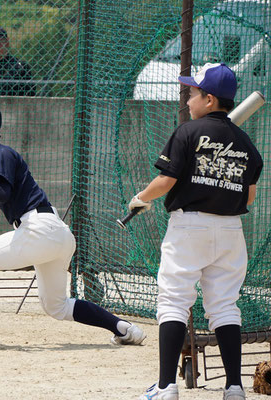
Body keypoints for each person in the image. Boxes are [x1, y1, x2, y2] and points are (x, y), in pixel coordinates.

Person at [0, 98, 146, 349]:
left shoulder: (1, 153)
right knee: (56, 306)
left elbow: (2, 193)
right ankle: (125, 329)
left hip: (38, 229)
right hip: (55, 234)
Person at [131, 63, 263, 400]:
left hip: (190, 226)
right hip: (231, 230)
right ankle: (234, 387)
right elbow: (248, 195)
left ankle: (166, 387)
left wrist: (141, 199)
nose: (188, 99)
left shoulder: (188, 132)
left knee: (174, 301)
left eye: (193, 93)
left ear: (209, 98)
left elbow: (167, 180)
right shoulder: (245, 142)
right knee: (224, 306)